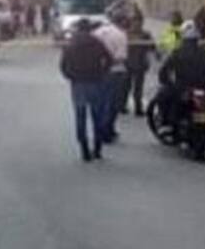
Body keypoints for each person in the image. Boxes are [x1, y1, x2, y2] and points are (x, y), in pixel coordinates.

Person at [157, 21, 205, 151]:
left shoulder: (178, 52)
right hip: (202, 89)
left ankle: (168, 125)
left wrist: (167, 82)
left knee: (163, 98)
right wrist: (204, 85)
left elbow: (163, 71)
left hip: (182, 89)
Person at [58, 18, 112, 162]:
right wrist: (102, 73)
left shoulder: (71, 44)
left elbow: (63, 65)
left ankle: (84, 150)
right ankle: (98, 149)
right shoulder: (97, 42)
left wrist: (71, 76)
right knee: (97, 116)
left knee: (80, 116)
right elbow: (109, 59)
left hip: (78, 83)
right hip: (95, 81)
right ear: (89, 29)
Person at [93, 16, 129, 143]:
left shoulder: (96, 33)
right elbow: (122, 57)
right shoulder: (120, 35)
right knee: (113, 103)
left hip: (98, 72)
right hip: (115, 72)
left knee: (101, 102)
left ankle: (100, 128)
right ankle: (107, 129)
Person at [125, 14, 157, 116]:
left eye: (139, 22)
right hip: (128, 64)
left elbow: (153, 47)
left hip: (140, 64)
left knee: (138, 88)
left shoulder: (145, 34)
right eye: (135, 21)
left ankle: (138, 108)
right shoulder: (126, 34)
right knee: (125, 87)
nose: (137, 24)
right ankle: (121, 106)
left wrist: (156, 53)